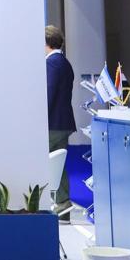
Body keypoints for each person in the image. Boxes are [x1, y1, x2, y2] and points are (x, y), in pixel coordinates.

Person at [46, 25, 76, 218]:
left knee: (46, 162)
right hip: (63, 122)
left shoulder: (51, 63)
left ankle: (59, 203)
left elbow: (48, 94)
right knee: (58, 164)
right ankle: (63, 205)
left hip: (52, 123)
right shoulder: (65, 63)